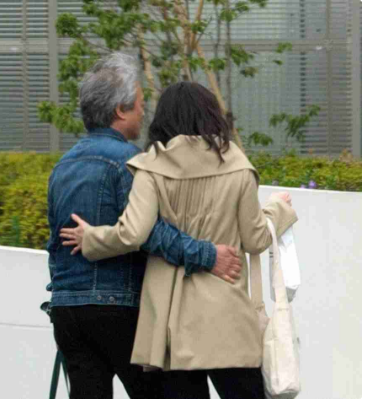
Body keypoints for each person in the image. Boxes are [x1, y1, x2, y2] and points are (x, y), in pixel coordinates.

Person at [60, 81, 298, 399]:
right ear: (211, 114)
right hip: (227, 312)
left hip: (172, 321)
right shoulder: (237, 165)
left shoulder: (150, 167)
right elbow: (255, 239)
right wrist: (277, 209)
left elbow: (133, 233)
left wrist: (91, 238)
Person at [47, 54, 244, 399]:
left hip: (67, 311)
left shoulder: (61, 167)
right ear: (120, 110)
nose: (143, 112)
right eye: (139, 104)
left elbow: (55, 243)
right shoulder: (130, 162)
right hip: (120, 309)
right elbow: (151, 232)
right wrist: (208, 255)